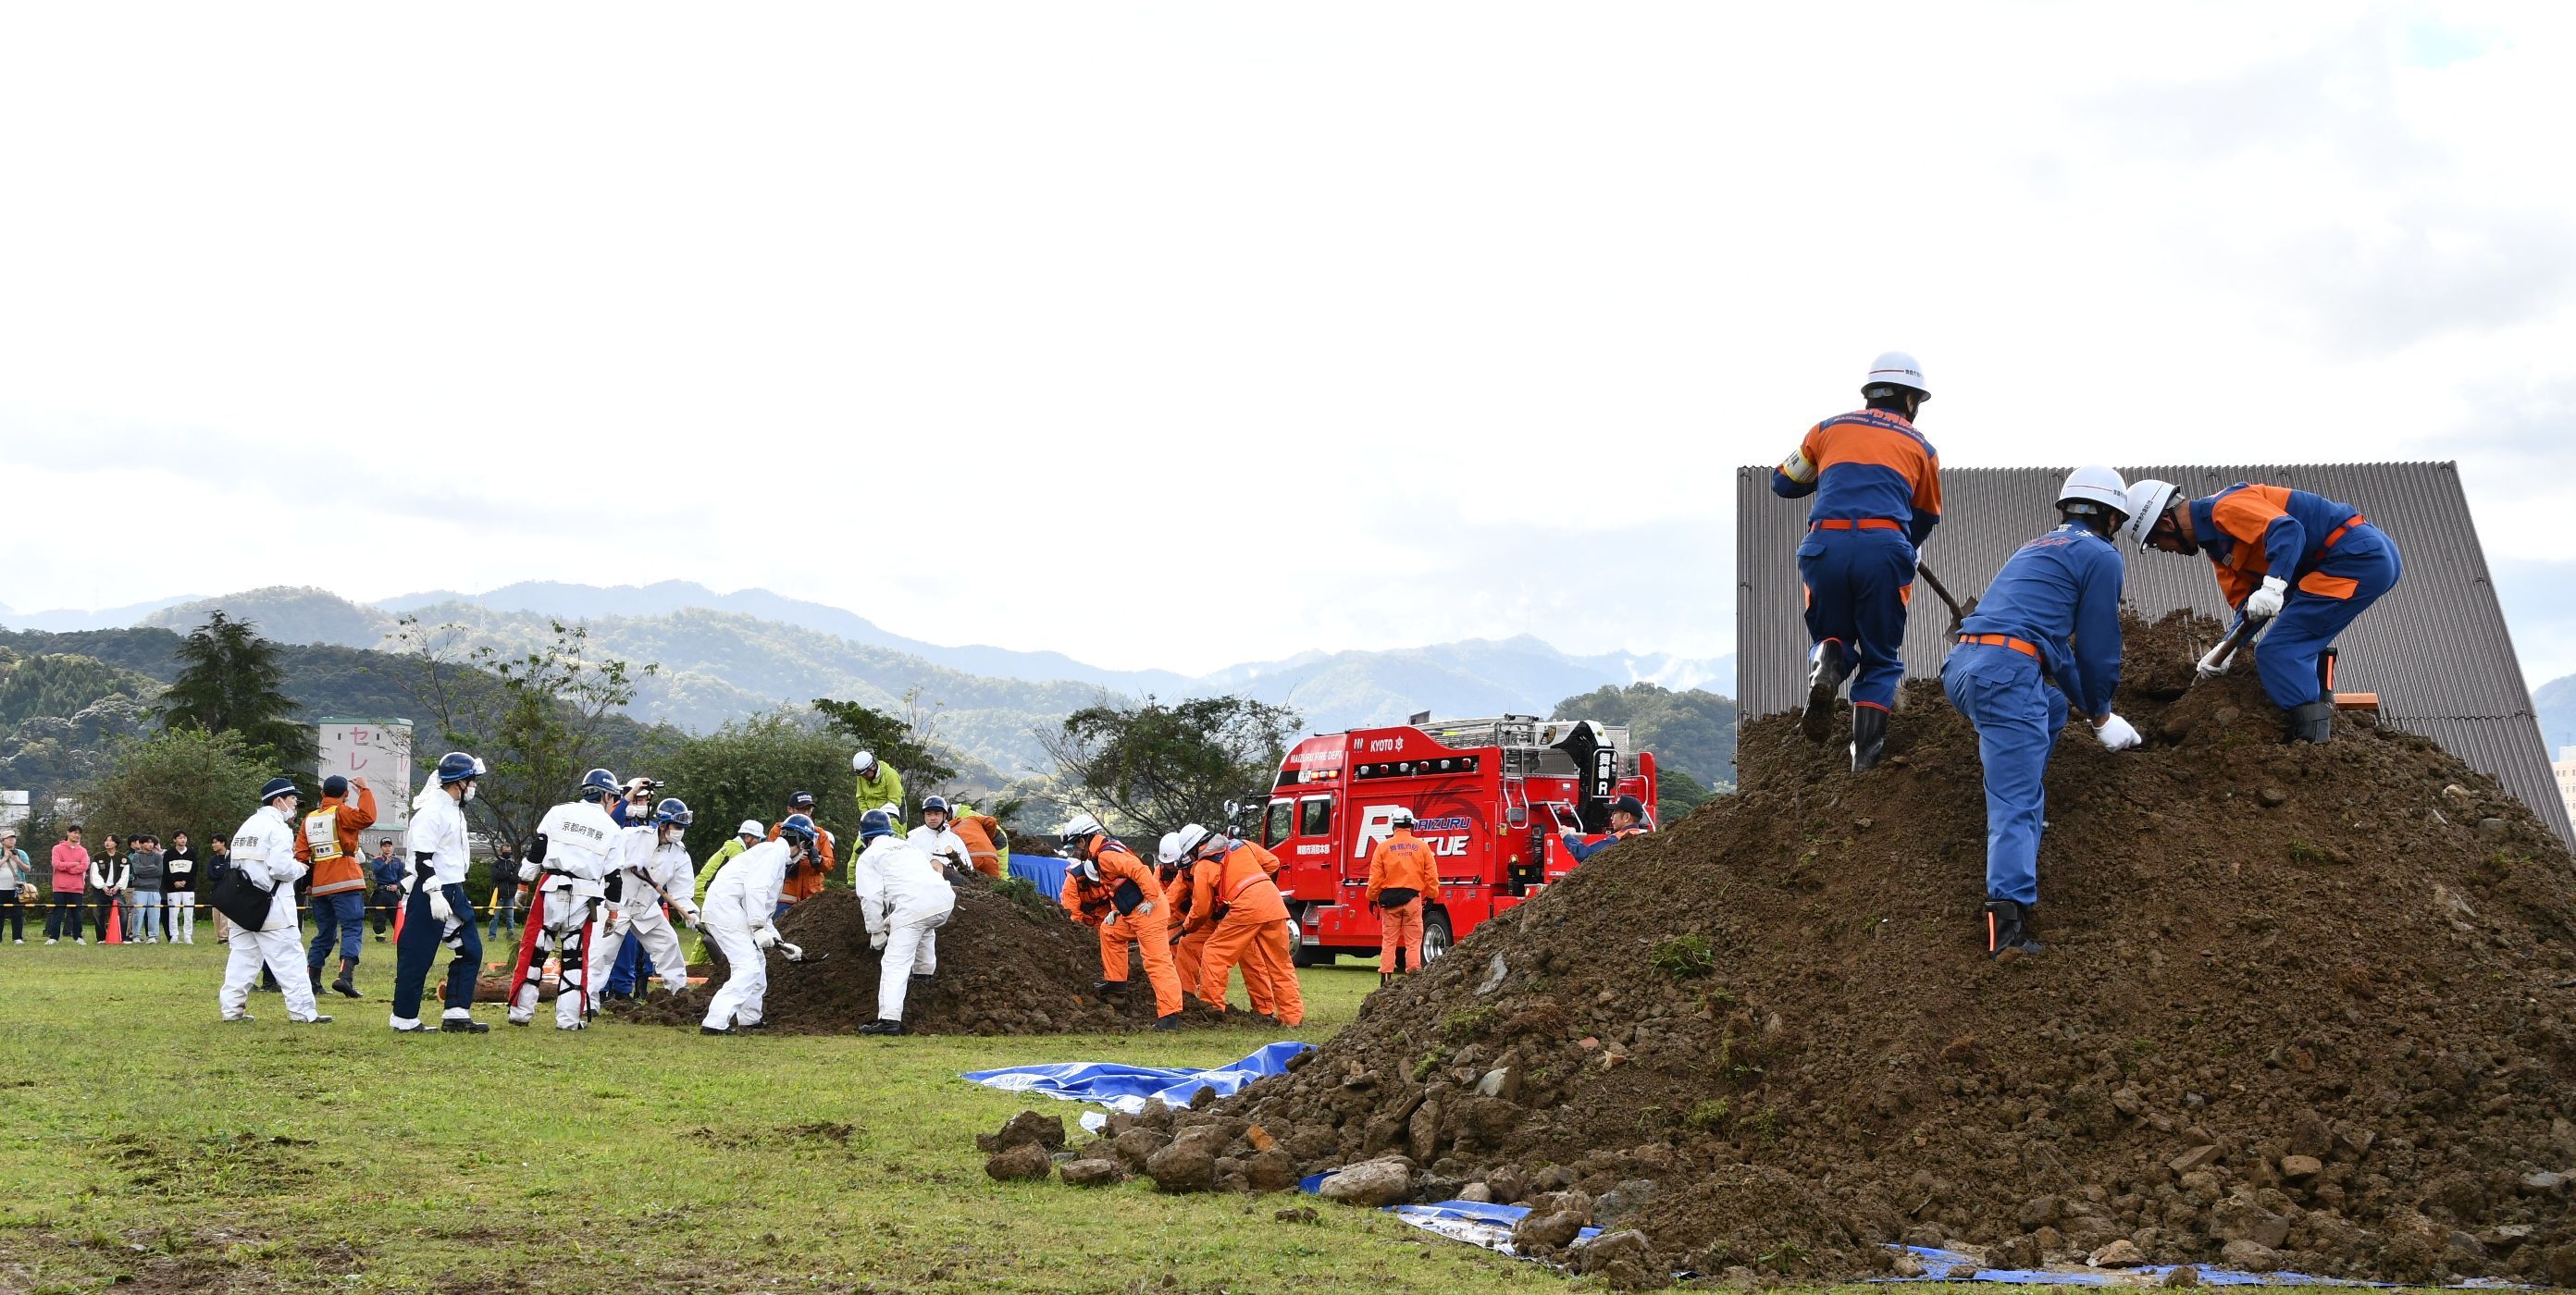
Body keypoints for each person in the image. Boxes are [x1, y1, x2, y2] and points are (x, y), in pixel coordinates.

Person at [1942, 466, 2146, 960]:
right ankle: (2005, 928)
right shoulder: (2101, 555)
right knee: (2016, 803)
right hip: (2007, 675)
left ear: (2065, 509)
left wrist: (2092, 711)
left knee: (2051, 706)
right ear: (2113, 518)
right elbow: (2097, 648)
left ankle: (2025, 813)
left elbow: (2059, 655)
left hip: (1965, 665)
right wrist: (2102, 710)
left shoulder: (2035, 547)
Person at [2119, 477, 2404, 744]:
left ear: (2167, 523)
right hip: (2349, 560)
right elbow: (2248, 606)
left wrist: (2274, 584)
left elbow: (2288, 530)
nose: (2165, 550)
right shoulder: (2218, 548)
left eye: (2156, 543)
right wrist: (2226, 648)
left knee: (2278, 651)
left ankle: (2313, 743)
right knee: (2296, 633)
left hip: (2355, 556)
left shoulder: (2225, 507)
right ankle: (2323, 706)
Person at [1771, 351, 1944, 771]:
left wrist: (1828, 474)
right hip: (1884, 549)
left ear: (1870, 393)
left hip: (1823, 547)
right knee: (1881, 658)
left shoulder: (1825, 430)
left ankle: (1829, 659)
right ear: (1909, 400)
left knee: (1834, 633)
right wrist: (1904, 547)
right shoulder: (1922, 447)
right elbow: (1926, 517)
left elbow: (1781, 482)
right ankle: (1864, 760)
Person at [507, 767, 623, 1030]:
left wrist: (524, 883)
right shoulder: (612, 829)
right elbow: (614, 878)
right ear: (605, 795)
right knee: (575, 958)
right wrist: (613, 912)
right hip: (586, 893)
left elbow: (537, 849)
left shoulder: (559, 811)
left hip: (550, 886)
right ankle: (569, 1020)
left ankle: (519, 1013)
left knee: (534, 951)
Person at [390, 752, 490, 1033]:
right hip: (431, 890)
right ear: (458, 782)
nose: (474, 786)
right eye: (471, 780)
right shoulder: (432, 811)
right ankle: (404, 1018)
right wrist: (434, 893)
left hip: (454, 889)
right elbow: (423, 858)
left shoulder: (453, 810)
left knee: (470, 950)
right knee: (417, 955)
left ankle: (457, 1013)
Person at [219, 779, 332, 1023]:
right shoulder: (278, 828)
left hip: (242, 905)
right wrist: (301, 868)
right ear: (278, 800)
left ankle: (231, 1010)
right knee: (290, 960)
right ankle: (303, 1012)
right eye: (293, 800)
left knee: (242, 959)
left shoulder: (246, 826)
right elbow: (280, 868)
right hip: (272, 907)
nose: (295, 806)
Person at [1057, 814, 1183, 1030]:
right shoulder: (1102, 854)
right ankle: (1116, 985)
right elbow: (1120, 885)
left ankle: (1170, 1016)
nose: (1075, 853)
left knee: (1156, 962)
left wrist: (1152, 899)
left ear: (1082, 840)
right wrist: (1115, 911)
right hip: (1133, 912)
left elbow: (1140, 870)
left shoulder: (1105, 856)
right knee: (1109, 931)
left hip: (1148, 912)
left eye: (1075, 847)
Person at [700, 813, 812, 1035]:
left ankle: (750, 1019)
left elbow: (764, 907)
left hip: (731, 909)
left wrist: (783, 944)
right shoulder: (772, 854)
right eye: (807, 846)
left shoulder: (772, 854)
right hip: (727, 910)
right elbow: (755, 890)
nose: (805, 853)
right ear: (800, 842)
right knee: (748, 966)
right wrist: (758, 927)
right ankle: (714, 1022)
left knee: (757, 962)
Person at [1179, 823, 1303, 1026]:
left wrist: (1188, 926)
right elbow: (1273, 863)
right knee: (1281, 964)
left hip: (1246, 907)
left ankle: (1212, 1010)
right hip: (1273, 902)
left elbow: (1201, 908)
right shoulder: (1242, 845)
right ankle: (1292, 1018)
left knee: (1214, 953)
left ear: (1194, 849)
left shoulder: (1203, 865)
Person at [587, 797, 700, 1011]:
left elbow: (682, 893)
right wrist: (622, 862)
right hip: (616, 905)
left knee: (669, 943)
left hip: (646, 909)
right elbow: (606, 851)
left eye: (683, 828)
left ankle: (680, 997)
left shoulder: (680, 855)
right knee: (601, 954)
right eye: (677, 827)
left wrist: (692, 914)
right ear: (664, 824)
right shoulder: (632, 837)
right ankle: (588, 1004)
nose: (680, 832)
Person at [851, 808, 956, 1036]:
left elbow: (869, 897)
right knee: (925, 928)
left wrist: (876, 930)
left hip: (913, 906)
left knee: (895, 963)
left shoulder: (869, 857)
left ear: (865, 836)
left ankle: (889, 1021)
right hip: (943, 900)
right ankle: (924, 976)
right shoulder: (909, 847)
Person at [296, 775, 378, 998]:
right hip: (345, 879)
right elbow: (367, 817)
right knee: (352, 928)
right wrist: (365, 789)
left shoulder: (309, 819)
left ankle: (312, 982)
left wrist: (307, 883)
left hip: (320, 884)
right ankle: (345, 977)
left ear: (322, 794)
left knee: (325, 933)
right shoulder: (341, 811)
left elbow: (301, 854)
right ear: (345, 794)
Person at [1367, 811, 1444, 984]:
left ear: (1393, 825)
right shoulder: (1422, 847)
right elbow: (1431, 875)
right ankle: (1413, 981)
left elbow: (1375, 879)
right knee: (1413, 942)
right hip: (1413, 901)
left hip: (1390, 903)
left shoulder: (1383, 847)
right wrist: (1431, 895)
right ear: (1411, 825)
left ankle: (1385, 980)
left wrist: (1372, 898)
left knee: (1389, 941)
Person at [1155, 832, 1208, 992]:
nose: (1169, 867)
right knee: (1173, 948)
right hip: (1179, 913)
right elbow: (1166, 899)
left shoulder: (1201, 869)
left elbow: (1202, 904)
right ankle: (1178, 986)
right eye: (1167, 864)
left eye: (1172, 863)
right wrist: (1151, 921)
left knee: (1201, 952)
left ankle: (1191, 986)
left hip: (1202, 915)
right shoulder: (1163, 872)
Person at [767, 793, 836, 912]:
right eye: (801, 809)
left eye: (808, 809)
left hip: (813, 895)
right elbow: (770, 861)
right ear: (790, 809)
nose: (806, 813)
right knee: (780, 927)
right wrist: (793, 859)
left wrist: (818, 860)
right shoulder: (779, 830)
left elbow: (830, 863)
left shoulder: (820, 833)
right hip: (787, 894)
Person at [1562, 795, 1653, 863]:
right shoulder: (1644, 838)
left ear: (1626, 817)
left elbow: (1584, 855)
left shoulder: (1619, 838)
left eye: (1614, 813)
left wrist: (1567, 836)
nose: (1611, 818)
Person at [907, 796, 975, 879]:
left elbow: (968, 870)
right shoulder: (913, 839)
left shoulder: (955, 840)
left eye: (937, 814)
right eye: (928, 814)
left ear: (945, 815)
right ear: (924, 816)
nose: (932, 818)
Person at [46, 824, 89, 944]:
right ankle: (54, 937)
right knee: (58, 912)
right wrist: (72, 864)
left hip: (77, 887)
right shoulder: (57, 848)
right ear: (68, 833)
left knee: (77, 914)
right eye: (75, 832)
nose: (77, 835)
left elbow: (84, 865)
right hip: (60, 886)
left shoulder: (83, 850)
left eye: (79, 834)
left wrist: (70, 869)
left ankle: (78, 936)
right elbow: (56, 864)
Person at [948, 801, 1006, 879]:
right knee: (997, 884)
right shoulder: (971, 818)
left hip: (972, 858)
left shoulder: (949, 830)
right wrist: (988, 839)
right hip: (990, 855)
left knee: (973, 884)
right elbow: (991, 821)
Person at [89, 834, 128, 945]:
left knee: (123, 911)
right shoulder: (98, 857)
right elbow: (94, 874)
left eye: (110, 841)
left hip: (116, 890)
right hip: (100, 890)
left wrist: (117, 886)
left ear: (116, 843)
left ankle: (122, 937)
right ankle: (101, 938)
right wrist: (102, 886)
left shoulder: (123, 858)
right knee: (98, 913)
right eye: (106, 840)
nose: (107, 842)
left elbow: (125, 875)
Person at [126, 835, 166, 944]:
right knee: (138, 913)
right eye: (147, 842)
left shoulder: (158, 857)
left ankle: (153, 936)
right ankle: (136, 935)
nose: (150, 845)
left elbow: (159, 871)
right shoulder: (136, 856)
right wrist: (152, 868)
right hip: (139, 889)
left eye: (152, 843)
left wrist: (147, 870)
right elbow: (137, 871)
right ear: (142, 844)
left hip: (154, 889)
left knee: (154, 913)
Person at [164, 831, 199, 944]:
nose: (182, 840)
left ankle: (188, 936)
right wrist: (175, 882)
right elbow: (166, 870)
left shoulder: (192, 853)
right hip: (173, 889)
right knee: (173, 913)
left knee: (188, 913)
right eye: (179, 838)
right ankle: (174, 936)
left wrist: (185, 881)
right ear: (174, 840)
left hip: (188, 888)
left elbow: (194, 870)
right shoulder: (169, 854)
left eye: (184, 838)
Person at [851, 750, 903, 821]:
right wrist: (866, 816)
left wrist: (879, 819)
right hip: (871, 819)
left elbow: (894, 801)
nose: (863, 777)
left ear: (873, 767)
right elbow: (861, 798)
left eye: (865, 774)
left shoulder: (890, 775)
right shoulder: (861, 776)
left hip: (891, 818)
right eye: (861, 775)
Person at [367, 840, 404, 940]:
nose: (387, 848)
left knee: (396, 914)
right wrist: (386, 862)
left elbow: (401, 876)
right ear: (381, 848)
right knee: (380, 914)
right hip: (381, 891)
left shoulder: (397, 861)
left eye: (389, 846)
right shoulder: (377, 860)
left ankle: (399, 935)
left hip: (393, 892)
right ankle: (380, 936)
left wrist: (397, 886)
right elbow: (376, 871)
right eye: (385, 846)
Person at [486, 843, 519, 942]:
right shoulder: (496, 864)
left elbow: (516, 878)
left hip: (511, 895)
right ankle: (492, 935)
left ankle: (511, 935)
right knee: (495, 917)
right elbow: (496, 876)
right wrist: (509, 873)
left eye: (509, 851)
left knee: (510, 918)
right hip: (498, 895)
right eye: (506, 851)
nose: (508, 853)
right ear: (501, 851)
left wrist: (505, 875)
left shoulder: (514, 864)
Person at [0, 829, 29, 943]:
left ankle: (17, 937)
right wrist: (5, 858)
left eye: (13, 838)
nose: (12, 840)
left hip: (17, 888)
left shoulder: (21, 853)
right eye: (9, 838)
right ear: (2, 841)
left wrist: (17, 860)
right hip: (1, 888)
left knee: (17, 913)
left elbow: (27, 869)